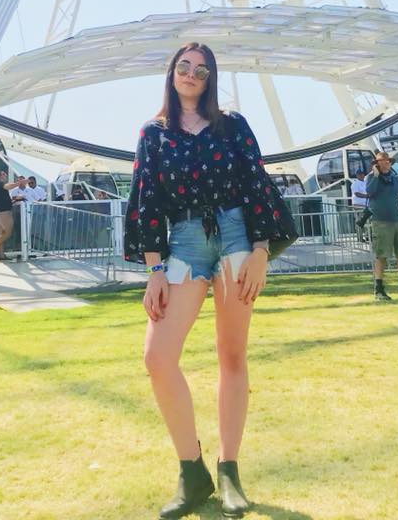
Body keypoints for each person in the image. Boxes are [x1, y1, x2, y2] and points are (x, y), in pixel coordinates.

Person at [124, 42, 295, 519]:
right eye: (184, 67)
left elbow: (256, 183)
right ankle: (190, 470)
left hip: (238, 236)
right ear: (171, 73)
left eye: (201, 69)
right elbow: (147, 200)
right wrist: (154, 269)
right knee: (158, 357)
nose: (192, 75)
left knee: (232, 354)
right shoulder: (153, 134)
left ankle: (230, 470)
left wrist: (262, 251)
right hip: (183, 243)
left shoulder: (233, 125)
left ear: (211, 77)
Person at [365, 153, 398, 301]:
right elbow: (370, 192)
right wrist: (375, 175)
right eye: (382, 161)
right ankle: (379, 290)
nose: (386, 163)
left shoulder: (397, 180)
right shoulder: (371, 178)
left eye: (388, 161)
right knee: (381, 256)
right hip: (380, 222)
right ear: (377, 164)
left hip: (397, 221)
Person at [0, 171, 23, 262]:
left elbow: (8, 188)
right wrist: (20, 183)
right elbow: (9, 186)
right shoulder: (0, 183)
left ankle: (1, 255)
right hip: (4, 212)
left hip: (1, 211)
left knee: (2, 234)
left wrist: (14, 200)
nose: (6, 175)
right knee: (7, 233)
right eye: (4, 174)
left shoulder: (0, 185)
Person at [351, 170, 370, 242]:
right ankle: (360, 237)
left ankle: (368, 236)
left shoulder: (365, 183)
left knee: (368, 221)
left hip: (366, 205)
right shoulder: (355, 184)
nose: (362, 175)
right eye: (360, 174)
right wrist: (366, 196)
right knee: (359, 221)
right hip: (358, 205)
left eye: (362, 174)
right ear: (357, 175)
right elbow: (357, 194)